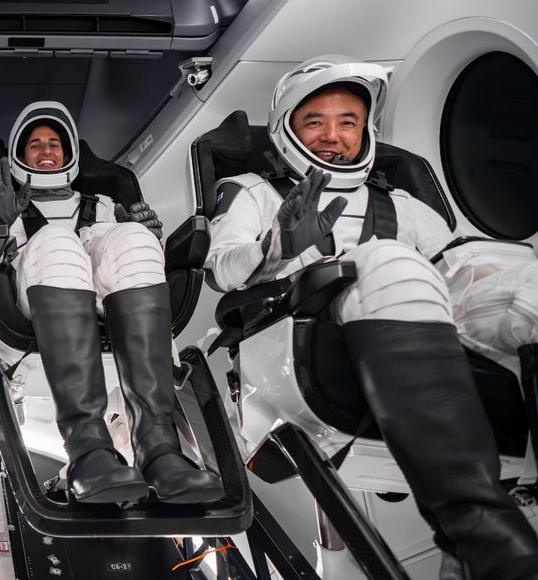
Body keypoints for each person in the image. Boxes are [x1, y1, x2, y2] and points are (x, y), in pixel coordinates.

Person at [205, 54, 538, 580]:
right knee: (387, 258)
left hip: (421, 325)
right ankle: (477, 534)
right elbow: (222, 269)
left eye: (348, 123)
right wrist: (276, 246)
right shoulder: (254, 192)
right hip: (293, 336)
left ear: (367, 133)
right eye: (314, 122)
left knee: (521, 279)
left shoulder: (403, 204)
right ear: (287, 129)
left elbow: (462, 270)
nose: (332, 136)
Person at [0, 102, 224, 505]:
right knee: (55, 240)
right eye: (35, 145)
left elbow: (124, 263)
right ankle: (87, 450)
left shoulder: (100, 203)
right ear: (20, 156)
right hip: (31, 300)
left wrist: (148, 236)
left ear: (68, 155)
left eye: (55, 144)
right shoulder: (4, 203)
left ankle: (158, 447)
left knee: (132, 239)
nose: (47, 150)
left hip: (104, 302)